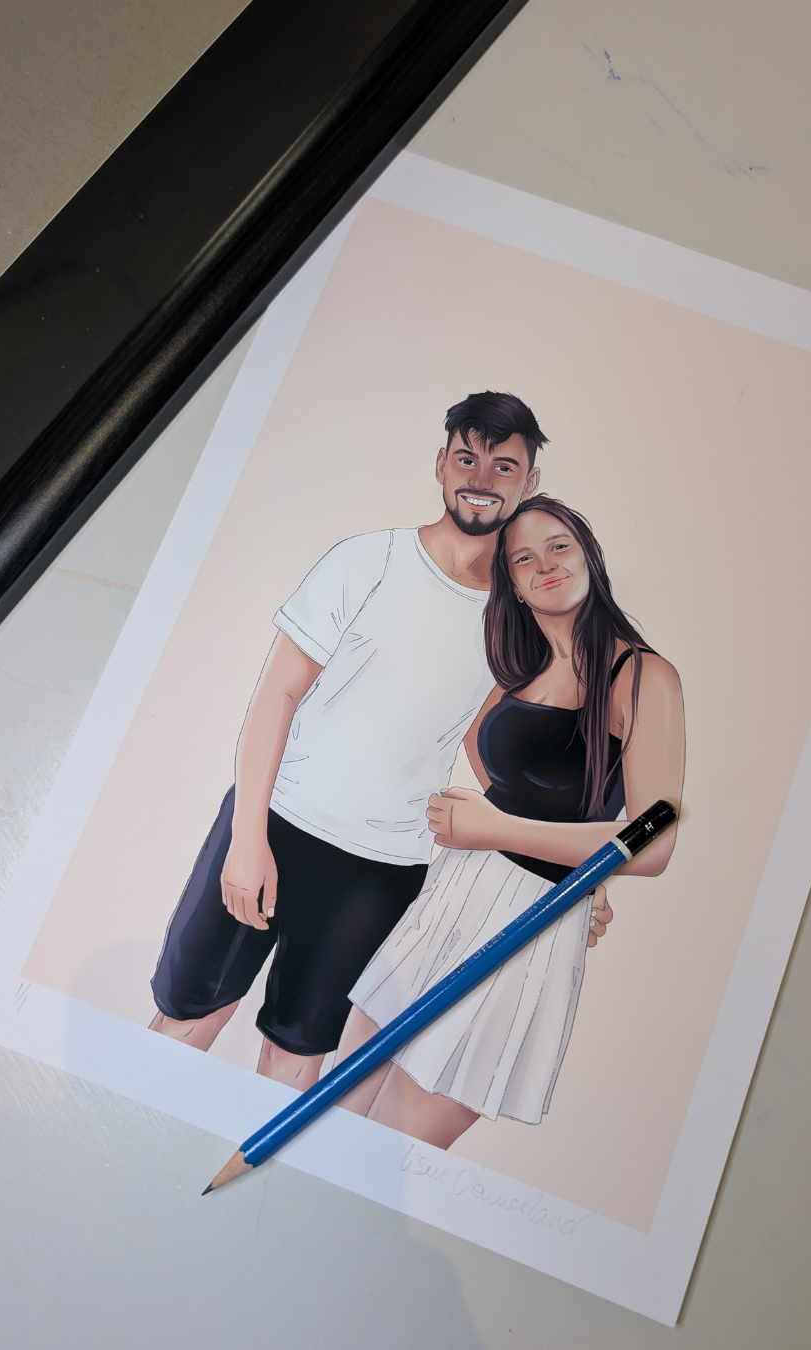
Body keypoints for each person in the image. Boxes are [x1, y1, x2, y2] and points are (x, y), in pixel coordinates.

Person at [149, 392, 546, 1091]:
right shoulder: (368, 561)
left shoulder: (516, 620)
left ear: (529, 482)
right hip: (277, 823)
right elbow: (276, 696)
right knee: (184, 1025)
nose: (482, 478)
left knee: (295, 1065)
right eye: (467, 458)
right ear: (441, 463)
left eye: (504, 466)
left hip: (379, 870)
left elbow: (491, 751)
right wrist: (247, 837)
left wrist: (558, 867)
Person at [334, 495, 685, 1148]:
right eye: (523, 559)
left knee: (384, 1150)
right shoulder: (520, 666)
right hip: (448, 899)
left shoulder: (642, 675)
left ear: (590, 555)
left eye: (559, 546)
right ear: (513, 586)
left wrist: (500, 833)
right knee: (334, 1115)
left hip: (525, 927)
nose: (544, 565)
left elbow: (654, 839)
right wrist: (574, 859)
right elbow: (486, 751)